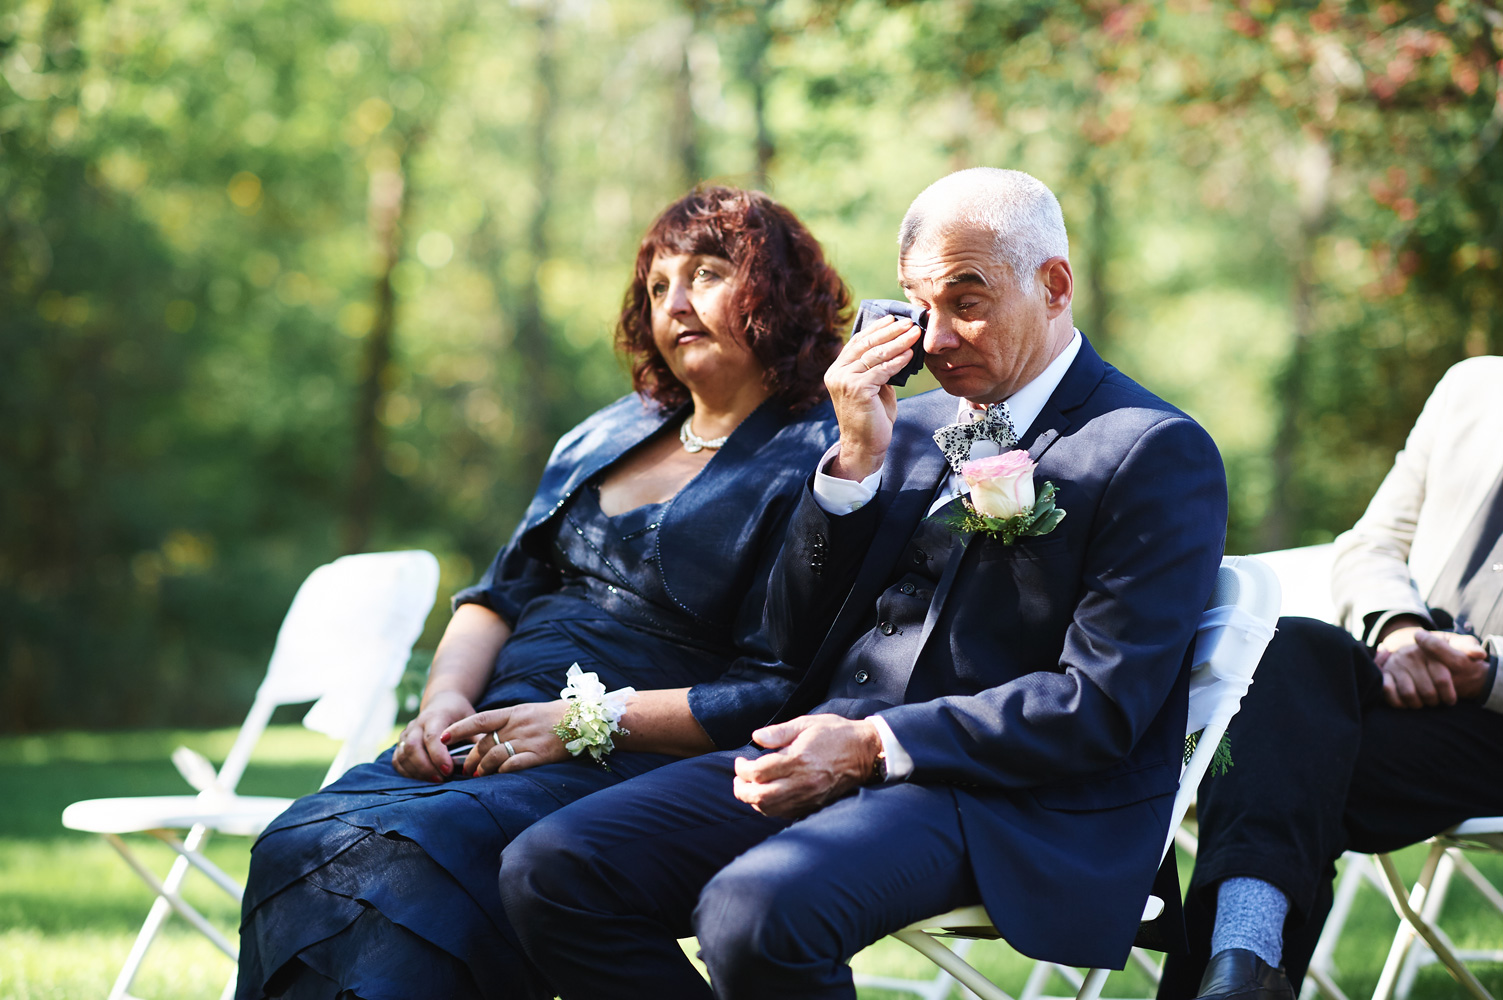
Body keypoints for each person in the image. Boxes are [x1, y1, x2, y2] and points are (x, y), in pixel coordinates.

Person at [498, 167, 1229, 999]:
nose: (938, 337)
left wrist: (877, 746)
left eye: (968, 301)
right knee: (552, 868)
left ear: (1054, 285)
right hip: (816, 745)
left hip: (995, 797)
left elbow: (1098, 706)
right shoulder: (899, 426)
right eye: (921, 306)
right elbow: (784, 642)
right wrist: (850, 465)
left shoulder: (1148, 447)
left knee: (753, 911)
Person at [235, 186, 848, 1000]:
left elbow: (777, 686)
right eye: (658, 286)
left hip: (643, 752)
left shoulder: (825, 453)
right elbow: (497, 595)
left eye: (705, 274)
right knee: (301, 835)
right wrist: (443, 700)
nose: (675, 303)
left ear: (779, 292)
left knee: (425, 843)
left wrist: (579, 723)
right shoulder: (609, 430)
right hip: (493, 728)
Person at [1158, 355, 1503, 1000]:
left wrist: (1487, 675)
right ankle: (1244, 968)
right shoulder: (1474, 387)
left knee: (1281, 769)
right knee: (1290, 646)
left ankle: (1244, 962)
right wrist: (1400, 629)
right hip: (1410, 685)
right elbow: (1369, 544)